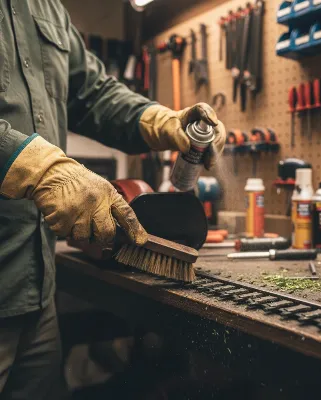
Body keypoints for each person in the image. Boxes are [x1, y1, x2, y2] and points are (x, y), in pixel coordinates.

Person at [0, 1, 226, 399]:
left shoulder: (45, 8)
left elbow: (93, 94)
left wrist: (159, 120)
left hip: (36, 290)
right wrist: (33, 164)